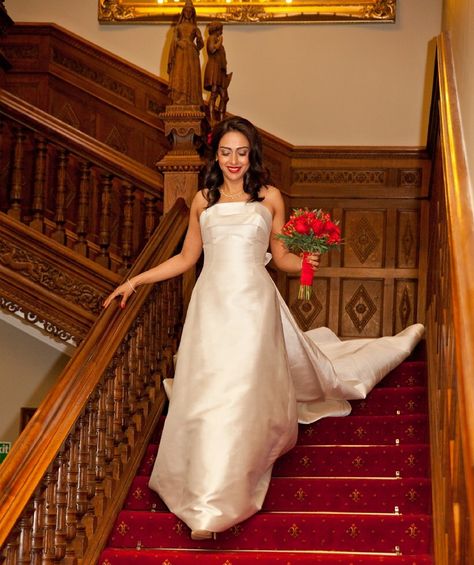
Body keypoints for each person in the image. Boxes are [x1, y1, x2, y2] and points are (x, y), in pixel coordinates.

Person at [103, 116, 424, 541]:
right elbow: (185, 259)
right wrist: (134, 280)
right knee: (210, 391)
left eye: (241, 152)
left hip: (254, 302)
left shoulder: (269, 197)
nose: (234, 161)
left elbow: (283, 257)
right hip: (211, 305)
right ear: (215, 155)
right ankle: (203, 491)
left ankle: (227, 490)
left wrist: (308, 264)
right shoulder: (203, 200)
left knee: (242, 389)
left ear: (251, 154)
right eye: (225, 152)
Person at [167, 0, 204, 106]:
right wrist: (179, 42)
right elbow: (174, 40)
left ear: (192, 13)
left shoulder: (195, 28)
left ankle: (190, 100)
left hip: (192, 54)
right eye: (186, 11)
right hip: (180, 52)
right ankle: (179, 98)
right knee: (180, 72)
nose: (188, 13)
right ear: (183, 12)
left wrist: (198, 41)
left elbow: (201, 44)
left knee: (190, 74)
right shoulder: (178, 27)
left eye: (190, 11)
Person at [204, 21, 232, 123]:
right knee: (214, 94)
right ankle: (211, 118)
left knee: (225, 97)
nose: (222, 31)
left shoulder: (218, 41)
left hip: (220, 71)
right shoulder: (212, 39)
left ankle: (221, 118)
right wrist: (220, 42)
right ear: (216, 29)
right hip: (214, 69)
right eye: (220, 29)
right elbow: (212, 50)